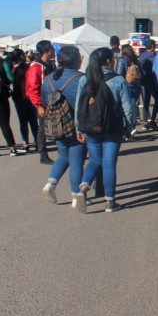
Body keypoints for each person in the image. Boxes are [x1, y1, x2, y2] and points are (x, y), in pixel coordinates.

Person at [74, 47, 134, 213]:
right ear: (109, 61)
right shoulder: (117, 80)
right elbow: (127, 107)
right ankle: (110, 202)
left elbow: (79, 106)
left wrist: (78, 128)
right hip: (112, 127)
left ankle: (84, 188)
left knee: (94, 160)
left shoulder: (84, 79)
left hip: (90, 127)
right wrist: (130, 126)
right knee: (109, 164)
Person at [40, 46, 86, 209]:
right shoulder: (82, 78)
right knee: (76, 161)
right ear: (75, 60)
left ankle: (50, 184)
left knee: (62, 156)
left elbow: (45, 102)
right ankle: (75, 196)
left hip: (56, 124)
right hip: (75, 126)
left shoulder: (49, 79)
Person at [26, 40, 56, 164]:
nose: (54, 51)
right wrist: (38, 105)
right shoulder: (36, 67)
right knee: (42, 128)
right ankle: (42, 154)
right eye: (52, 49)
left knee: (55, 126)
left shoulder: (50, 65)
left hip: (52, 100)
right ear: (46, 51)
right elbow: (32, 88)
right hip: (43, 102)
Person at [8, 49, 39, 153]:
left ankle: (25, 143)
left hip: (19, 97)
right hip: (30, 96)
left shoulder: (13, 69)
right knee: (33, 120)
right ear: (22, 56)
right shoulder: (29, 67)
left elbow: (11, 81)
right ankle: (38, 142)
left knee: (23, 121)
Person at [116, 44, 141, 132]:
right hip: (135, 85)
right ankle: (133, 126)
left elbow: (119, 74)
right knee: (133, 106)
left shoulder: (122, 60)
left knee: (125, 107)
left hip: (125, 86)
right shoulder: (135, 60)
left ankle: (127, 127)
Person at [138, 39, 158, 130]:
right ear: (152, 47)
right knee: (157, 100)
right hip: (152, 81)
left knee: (145, 102)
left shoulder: (141, 56)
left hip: (143, 82)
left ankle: (145, 120)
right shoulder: (153, 57)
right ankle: (153, 120)